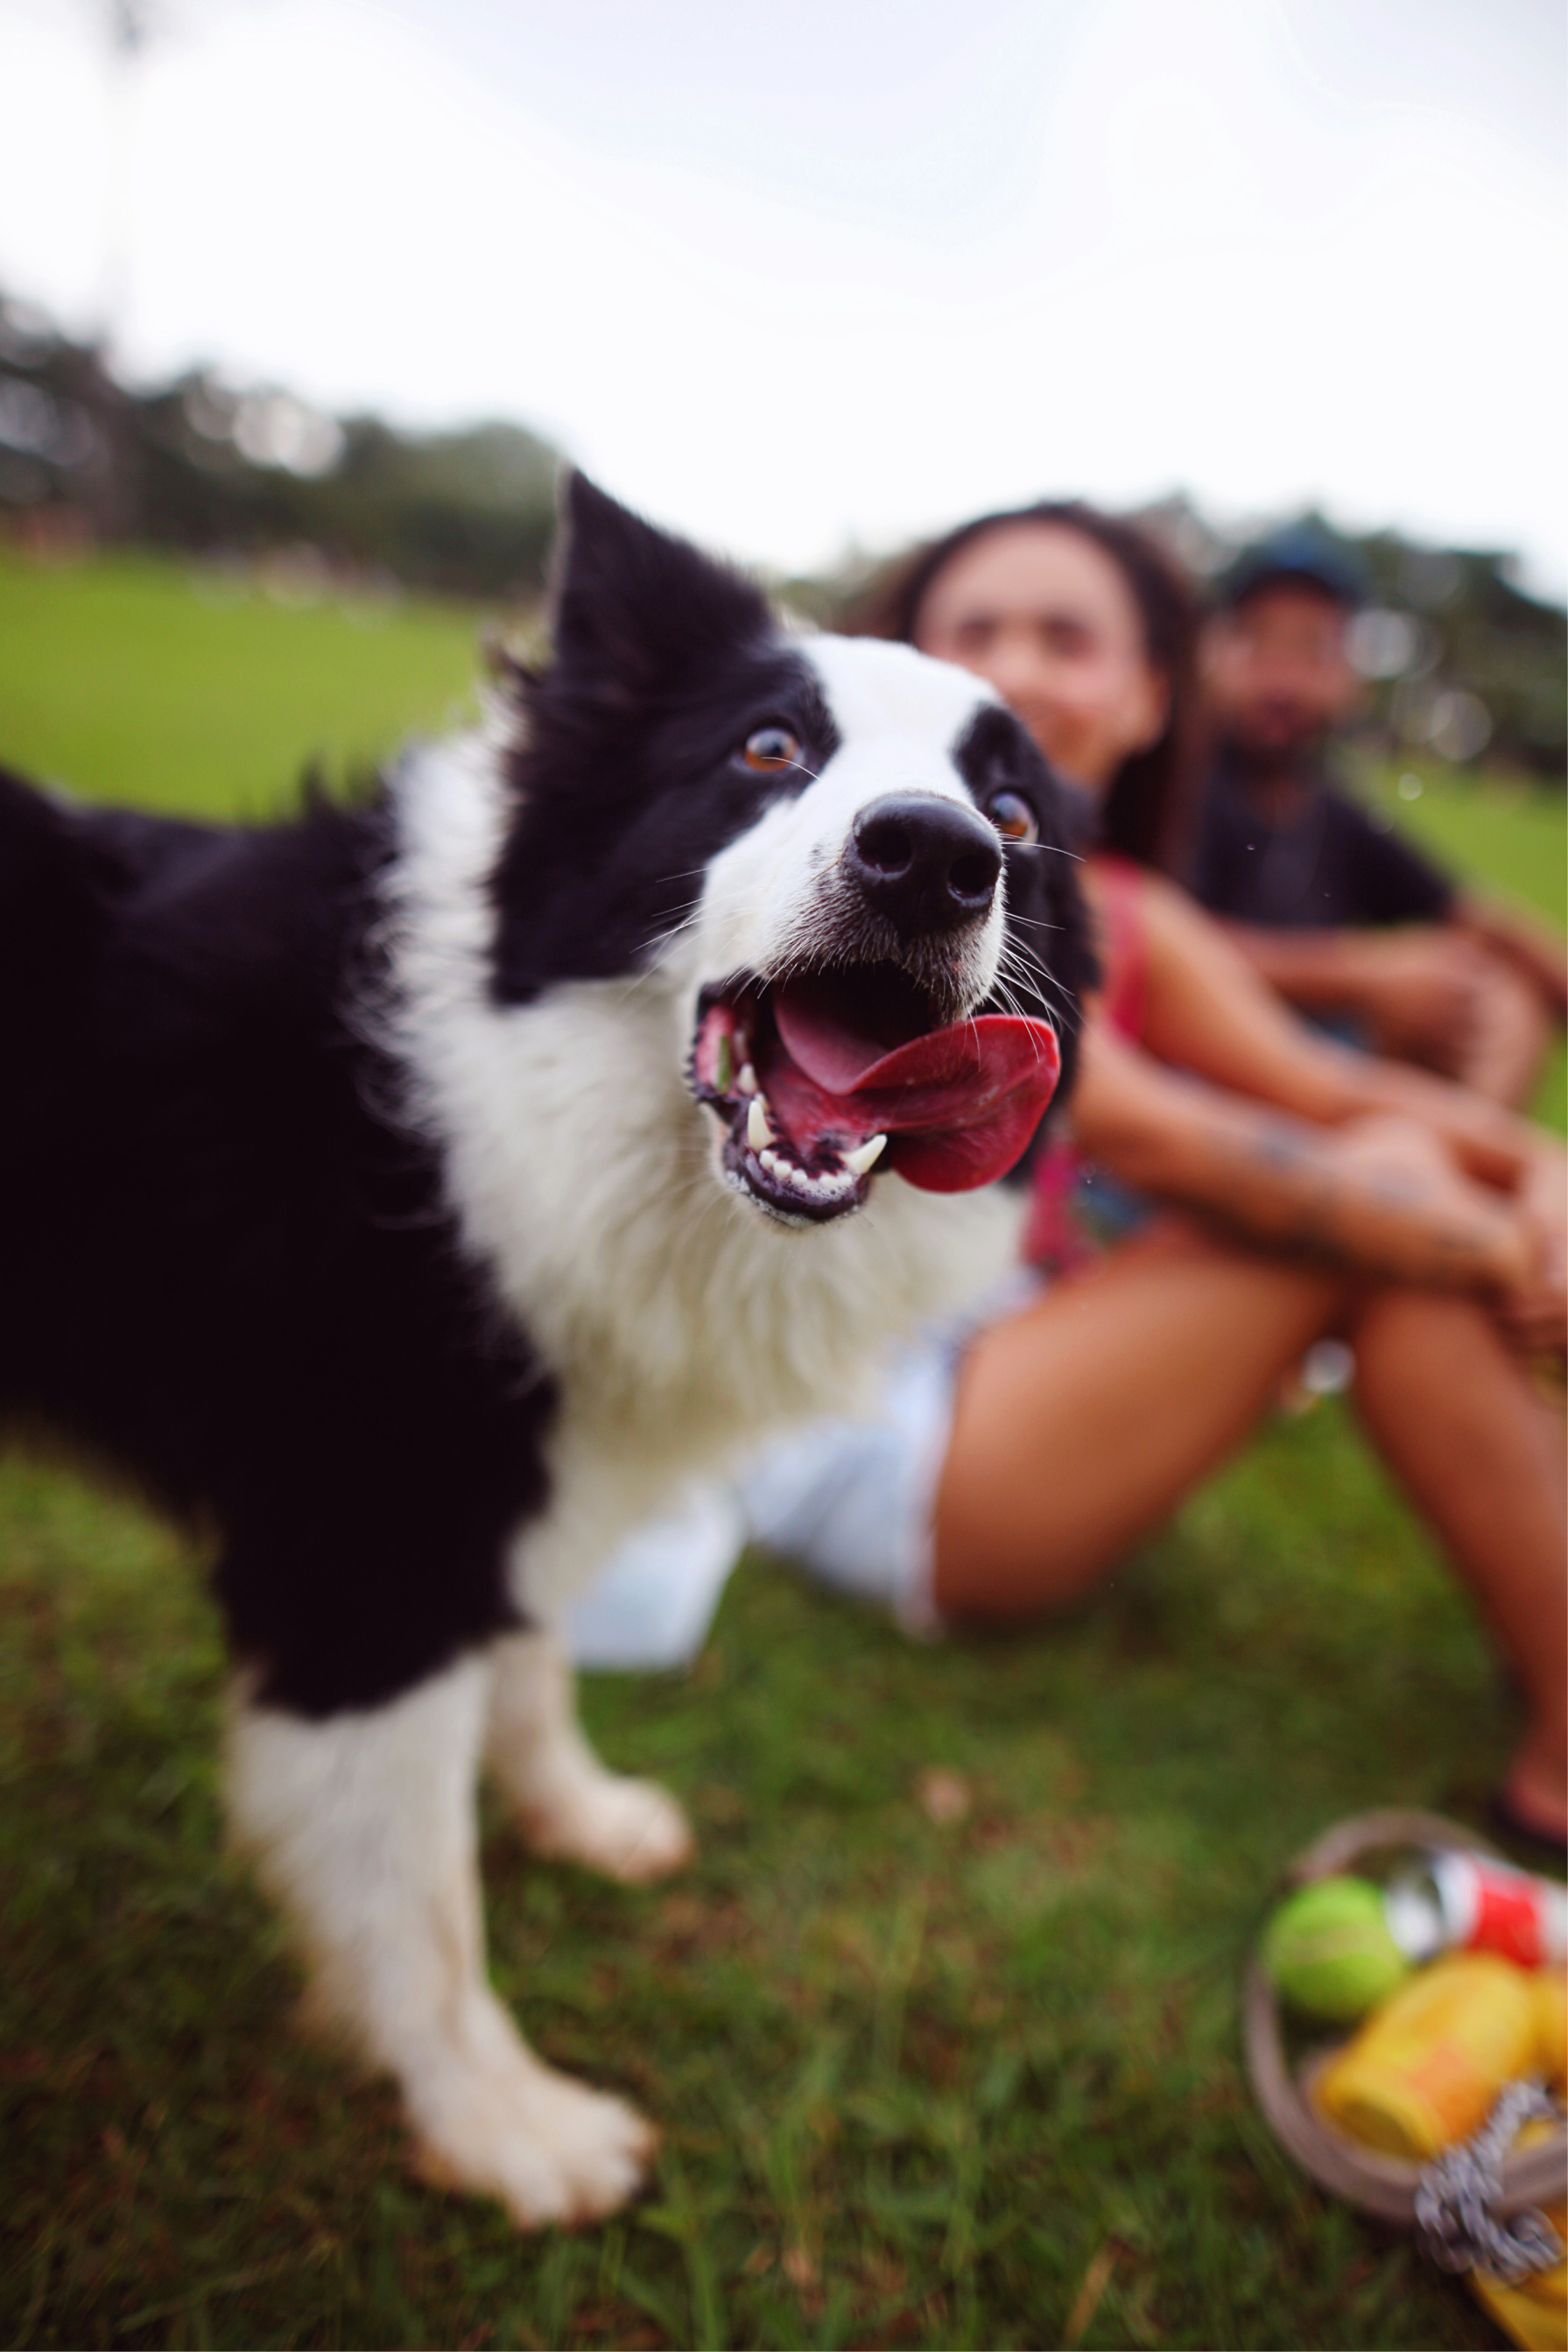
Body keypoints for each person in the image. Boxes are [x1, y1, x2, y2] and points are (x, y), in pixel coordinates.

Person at [576, 498, 1568, 1853]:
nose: (1023, 665)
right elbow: (1169, 1141)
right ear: (900, 654)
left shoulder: (1124, 909)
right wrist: (1507, 1243)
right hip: (866, 1428)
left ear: (1154, 694)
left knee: (1390, 1162)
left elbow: (1336, 1094)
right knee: (1360, 1222)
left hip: (1005, 1350)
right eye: (976, 628)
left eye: (1066, 635)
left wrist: (1540, 1170)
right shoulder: (884, 876)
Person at [1192, 528, 1568, 1107]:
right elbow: (1154, 937)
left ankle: (1454, 1170)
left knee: (1503, 1004)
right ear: (1211, 658)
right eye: (1257, 644)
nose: (1283, 681)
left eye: (1313, 651)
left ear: (1351, 678)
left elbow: (1474, 915)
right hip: (1198, 1059)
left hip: (1321, 1052)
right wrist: (1364, 975)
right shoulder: (1177, 788)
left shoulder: (1336, 813)